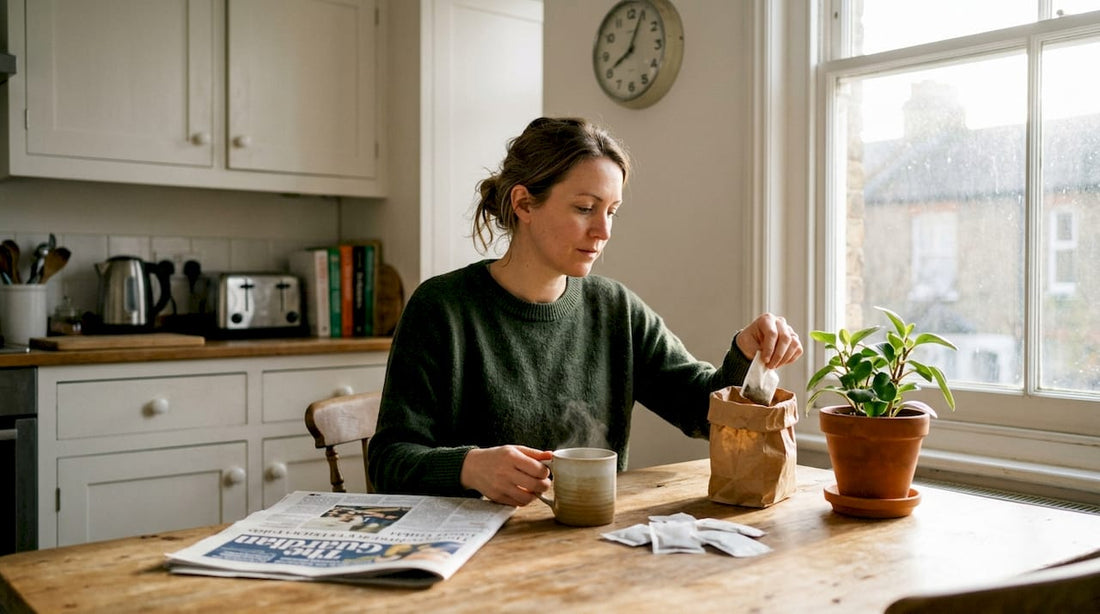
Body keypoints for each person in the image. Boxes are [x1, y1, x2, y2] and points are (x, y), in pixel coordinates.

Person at [367, 117, 802, 507]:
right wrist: (470, 467)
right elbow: (389, 461)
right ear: (523, 204)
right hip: (471, 557)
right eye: (584, 208)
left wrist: (745, 353)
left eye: (611, 211)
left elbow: (701, 411)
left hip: (585, 548)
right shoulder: (441, 309)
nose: (604, 231)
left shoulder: (615, 309)